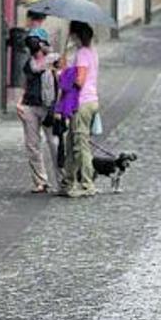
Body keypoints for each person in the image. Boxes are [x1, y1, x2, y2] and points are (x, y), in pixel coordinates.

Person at [61, 22, 100, 198]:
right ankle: (68, 182)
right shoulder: (92, 52)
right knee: (71, 142)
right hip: (91, 100)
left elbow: (80, 80)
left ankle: (87, 184)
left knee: (80, 144)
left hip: (83, 102)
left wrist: (64, 75)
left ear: (76, 35)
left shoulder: (83, 53)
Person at [19, 36, 61, 193]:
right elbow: (26, 83)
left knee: (54, 144)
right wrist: (19, 103)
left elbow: (63, 83)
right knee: (32, 145)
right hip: (30, 106)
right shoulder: (29, 65)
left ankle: (62, 179)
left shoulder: (55, 61)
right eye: (33, 52)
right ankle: (41, 181)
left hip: (49, 107)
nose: (36, 55)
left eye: (38, 51)